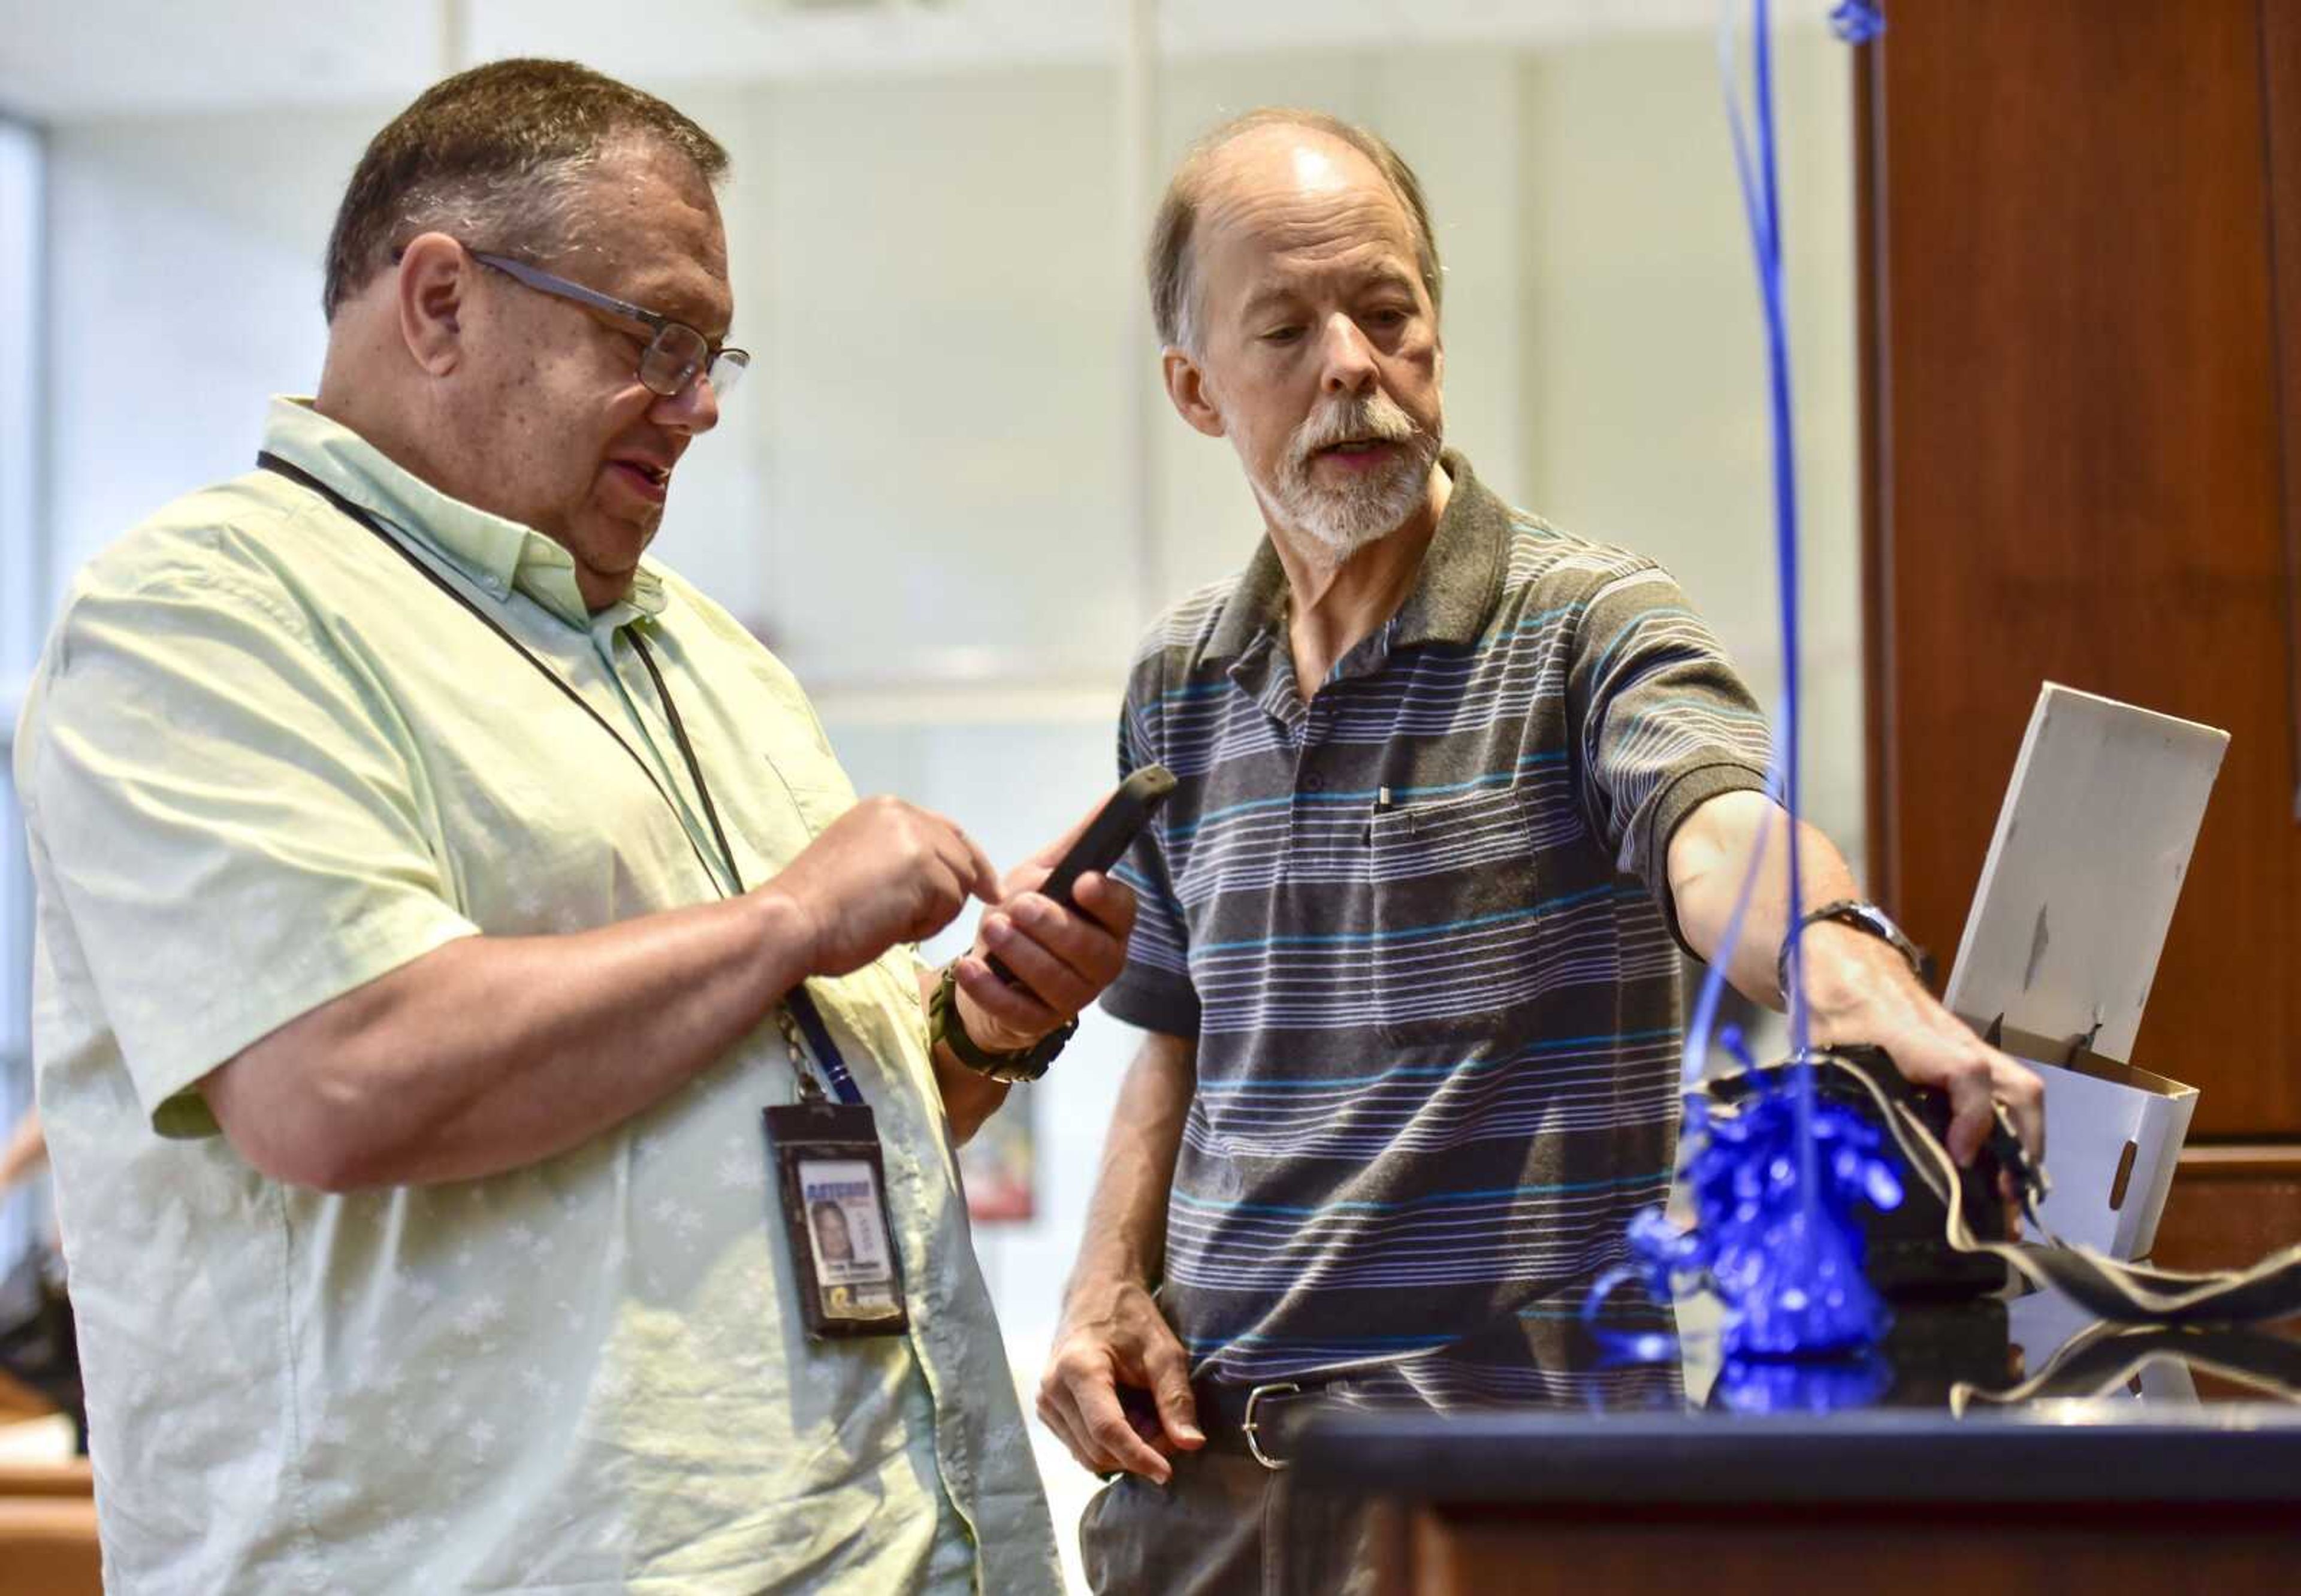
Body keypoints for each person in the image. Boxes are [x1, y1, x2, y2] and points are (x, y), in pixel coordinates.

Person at [13, 59, 1132, 1594]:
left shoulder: (707, 659)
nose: (700, 405)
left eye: (717, 354)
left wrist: (985, 1034)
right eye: (655, 336)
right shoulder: (205, 618)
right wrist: (789, 922)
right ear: (439, 300)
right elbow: (334, 1078)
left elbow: (784, 1122)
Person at [1034, 107, 2046, 1592]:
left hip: (1506, 1499)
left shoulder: (1586, 622)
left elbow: (1714, 832)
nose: (1354, 367)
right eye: (1288, 331)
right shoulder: (1181, 680)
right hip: (1206, 1498)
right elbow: (1177, 1037)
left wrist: (1854, 968)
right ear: (1196, 389)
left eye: (1388, 313)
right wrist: (1102, 1280)